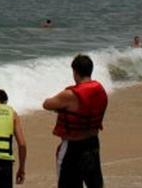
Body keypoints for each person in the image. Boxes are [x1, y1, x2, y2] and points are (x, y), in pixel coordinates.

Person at [43, 55, 108, 188]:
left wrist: (62, 109)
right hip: (93, 143)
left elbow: (47, 104)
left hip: (72, 146)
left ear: (75, 72)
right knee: (95, 184)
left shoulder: (70, 95)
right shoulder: (100, 90)